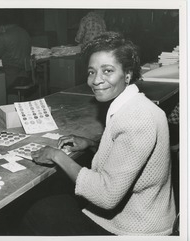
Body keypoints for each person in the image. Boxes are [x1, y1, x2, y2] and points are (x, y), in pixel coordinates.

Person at [21, 32, 176, 236]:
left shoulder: (136, 118)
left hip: (137, 228)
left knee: (37, 213)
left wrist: (56, 155)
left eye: (107, 71)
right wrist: (91, 145)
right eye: (91, 72)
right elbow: (125, 156)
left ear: (127, 74)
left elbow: (105, 196)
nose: (96, 80)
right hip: (141, 213)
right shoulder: (135, 105)